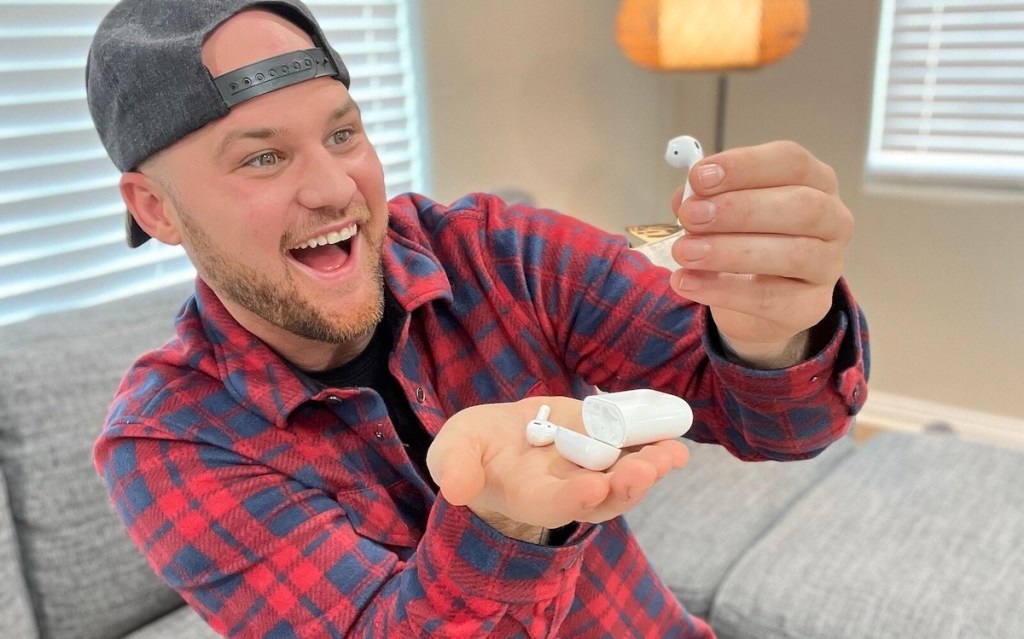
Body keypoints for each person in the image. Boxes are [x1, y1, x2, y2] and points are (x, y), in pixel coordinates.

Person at [87, 1, 869, 637]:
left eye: (342, 133)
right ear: (156, 207)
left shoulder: (497, 254)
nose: (336, 190)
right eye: (263, 157)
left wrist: (772, 330)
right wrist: (502, 523)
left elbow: (785, 426)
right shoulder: (171, 438)